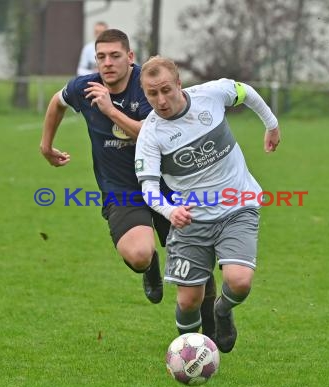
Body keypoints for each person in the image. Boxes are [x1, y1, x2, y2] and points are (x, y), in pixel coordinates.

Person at [40, 31, 216, 335]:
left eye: (115, 56)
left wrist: (110, 110)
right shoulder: (85, 87)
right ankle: (149, 267)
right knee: (137, 255)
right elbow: (57, 101)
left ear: (130, 58)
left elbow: (155, 139)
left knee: (194, 261)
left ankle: (212, 323)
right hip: (122, 192)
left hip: (168, 186)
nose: (108, 63)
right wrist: (46, 145)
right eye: (101, 57)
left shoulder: (147, 87)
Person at [135, 56, 281, 353]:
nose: (161, 100)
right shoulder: (150, 134)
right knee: (188, 301)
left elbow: (247, 92)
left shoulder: (212, 95)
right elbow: (148, 188)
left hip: (238, 205)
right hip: (191, 219)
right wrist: (169, 210)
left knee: (239, 281)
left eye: (166, 90)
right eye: (152, 94)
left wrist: (272, 124)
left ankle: (222, 311)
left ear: (179, 83)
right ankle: (187, 353)